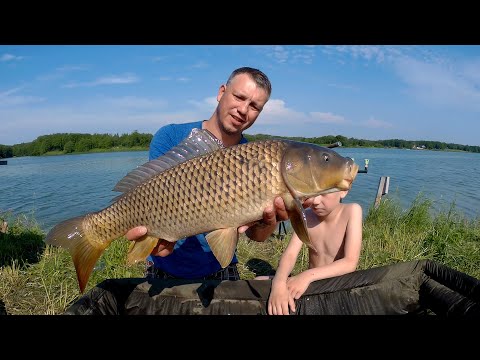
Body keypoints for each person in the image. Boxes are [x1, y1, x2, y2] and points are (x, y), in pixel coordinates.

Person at [125, 66, 289, 281]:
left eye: (254, 106)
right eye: (239, 97)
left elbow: (256, 237)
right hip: (164, 269)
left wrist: (268, 222)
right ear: (222, 92)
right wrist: (153, 239)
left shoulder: (258, 162)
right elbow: (150, 197)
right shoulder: (171, 136)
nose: (243, 109)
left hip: (221, 269)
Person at [256, 190, 363, 315]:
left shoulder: (352, 211)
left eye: (323, 193)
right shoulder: (306, 216)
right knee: (259, 280)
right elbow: (290, 255)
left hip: (336, 287)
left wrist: (306, 276)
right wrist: (279, 283)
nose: (315, 201)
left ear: (343, 190)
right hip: (310, 285)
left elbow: (350, 262)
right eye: (311, 194)